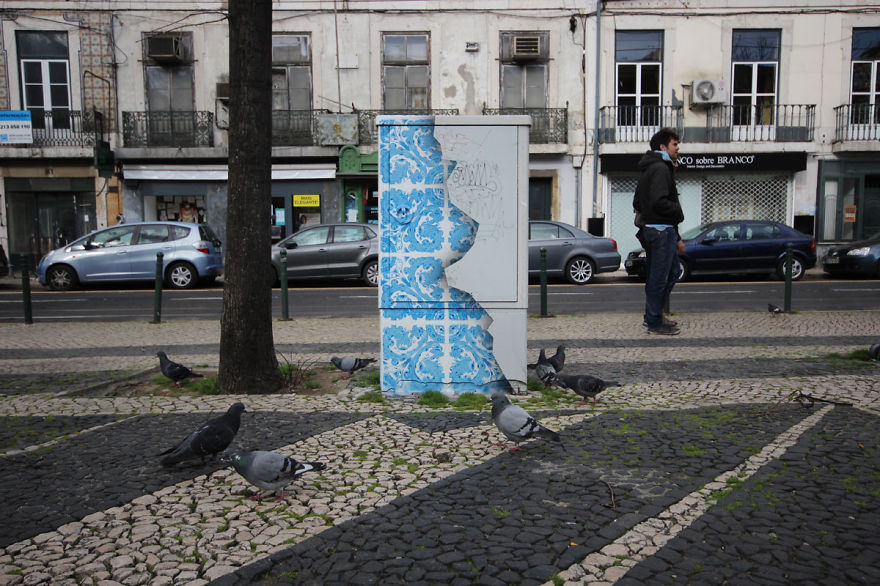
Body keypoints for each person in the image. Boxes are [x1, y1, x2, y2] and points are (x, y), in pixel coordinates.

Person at [633, 128, 685, 335]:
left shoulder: (654, 167)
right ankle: (654, 321)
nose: (678, 148)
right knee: (660, 276)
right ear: (663, 147)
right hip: (660, 231)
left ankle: (654, 315)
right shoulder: (660, 169)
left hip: (661, 229)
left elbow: (637, 201)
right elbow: (659, 201)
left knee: (671, 272)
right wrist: (678, 212)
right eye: (674, 144)